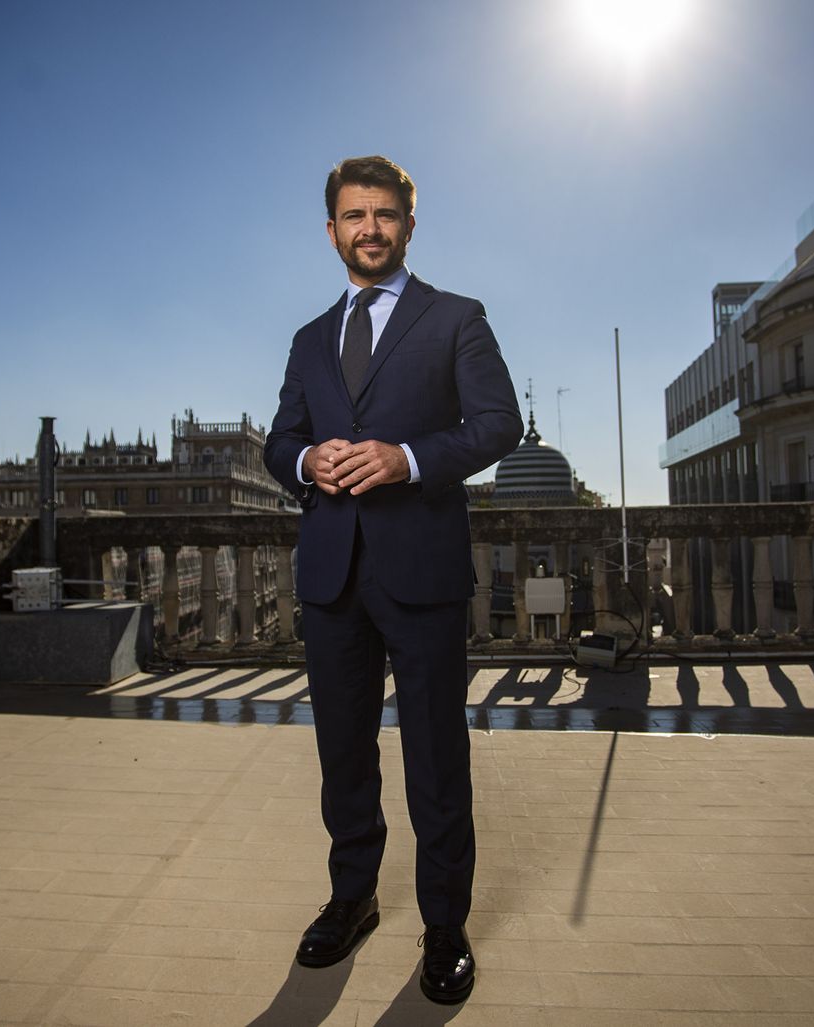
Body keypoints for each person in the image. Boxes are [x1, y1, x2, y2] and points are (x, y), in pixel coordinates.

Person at [263, 155, 523, 1004]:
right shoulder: (309, 339)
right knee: (342, 751)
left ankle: (445, 926)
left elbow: (499, 424)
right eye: (354, 215)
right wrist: (307, 458)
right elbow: (278, 442)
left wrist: (405, 458)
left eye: (384, 214)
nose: (369, 228)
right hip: (331, 572)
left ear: (409, 225)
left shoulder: (456, 318)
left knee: (435, 755)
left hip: (422, 569)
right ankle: (353, 898)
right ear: (331, 230)